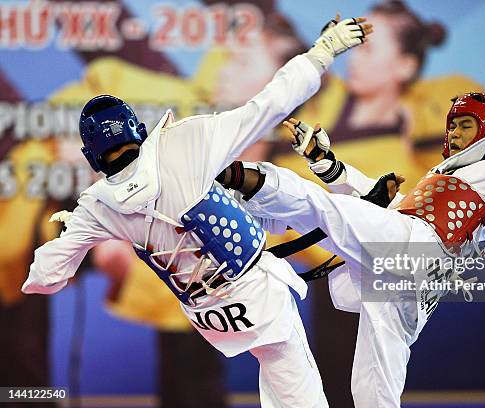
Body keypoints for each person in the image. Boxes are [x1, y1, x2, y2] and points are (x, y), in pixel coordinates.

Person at [21, 15, 372, 408]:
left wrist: (57, 258)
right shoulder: (185, 142)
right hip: (255, 289)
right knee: (290, 375)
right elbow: (271, 103)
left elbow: (45, 275)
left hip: (205, 315)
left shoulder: (96, 205)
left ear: (91, 156)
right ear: (138, 129)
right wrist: (324, 51)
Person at [226, 92, 485, 407]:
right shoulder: (443, 176)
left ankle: (226, 181)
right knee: (373, 389)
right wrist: (326, 163)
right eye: (453, 125)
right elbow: (383, 208)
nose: (456, 133)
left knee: (320, 209)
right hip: (413, 276)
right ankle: (240, 202)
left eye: (466, 125)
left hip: (422, 253)